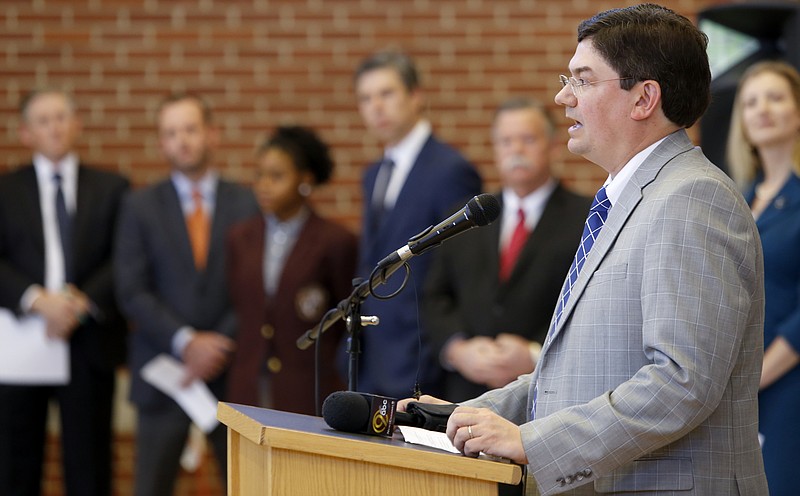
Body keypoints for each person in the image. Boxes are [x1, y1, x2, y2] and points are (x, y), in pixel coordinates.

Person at [401, 4, 769, 495]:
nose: (562, 97)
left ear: (643, 98)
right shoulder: (626, 200)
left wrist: (535, 442)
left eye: (583, 80)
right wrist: (468, 415)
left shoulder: (692, 199)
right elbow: (581, 372)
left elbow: (682, 383)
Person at [114, 92, 259, 496]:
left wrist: (217, 344)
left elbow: (254, 287)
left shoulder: (246, 202)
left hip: (229, 374)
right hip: (164, 375)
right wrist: (187, 341)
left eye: (190, 129)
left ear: (211, 134)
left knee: (243, 485)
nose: (182, 140)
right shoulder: (139, 206)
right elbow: (131, 289)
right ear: (162, 142)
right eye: (171, 132)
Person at [0, 90, 129, 496]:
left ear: (76, 125)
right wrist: (37, 300)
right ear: (25, 133)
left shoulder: (112, 188)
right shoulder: (5, 190)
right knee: (14, 465)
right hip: (21, 341)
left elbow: (123, 257)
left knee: (89, 466)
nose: (54, 127)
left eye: (61, 117)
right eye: (43, 120)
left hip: (88, 341)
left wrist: (78, 304)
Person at [423, 98, 590, 403]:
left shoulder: (587, 217)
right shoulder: (464, 217)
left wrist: (534, 353)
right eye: (506, 142)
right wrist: (457, 349)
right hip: (464, 393)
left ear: (553, 147)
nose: (516, 150)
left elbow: (591, 305)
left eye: (528, 140)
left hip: (546, 394)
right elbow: (435, 296)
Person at [350, 51, 482, 398]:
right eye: (365, 98)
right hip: (370, 359)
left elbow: (457, 273)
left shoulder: (450, 170)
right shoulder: (374, 174)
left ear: (415, 97)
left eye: (386, 93)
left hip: (420, 362)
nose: (375, 106)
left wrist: (436, 353)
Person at [225, 125, 358, 415]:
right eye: (259, 175)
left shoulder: (335, 241)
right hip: (249, 382)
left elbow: (345, 317)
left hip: (307, 386)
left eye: (276, 176)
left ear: (305, 180)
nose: (264, 185)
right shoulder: (240, 237)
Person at [726, 60, 800, 496]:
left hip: (786, 383)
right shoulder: (741, 197)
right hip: (740, 386)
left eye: (775, 97)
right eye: (751, 102)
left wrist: (760, 375)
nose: (762, 109)